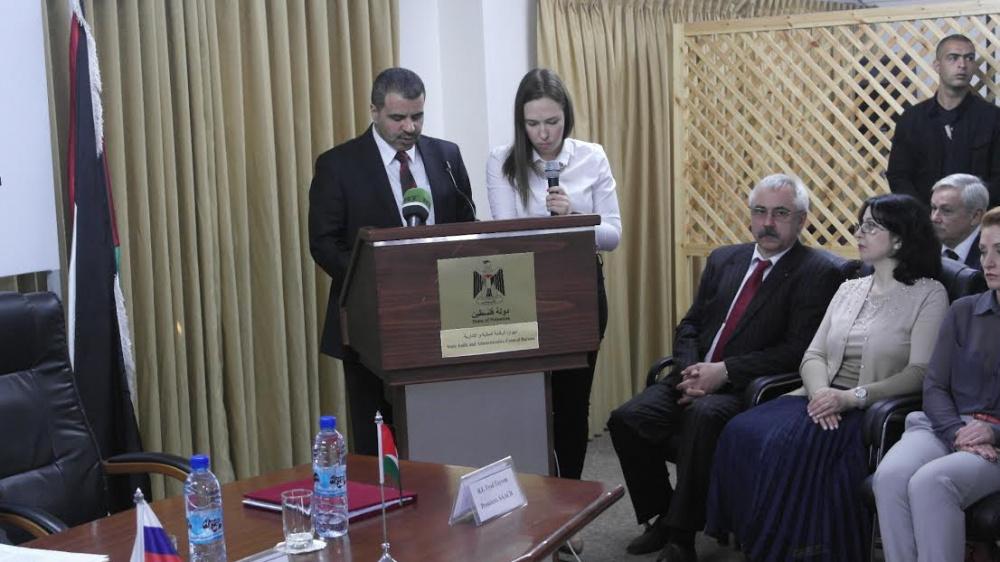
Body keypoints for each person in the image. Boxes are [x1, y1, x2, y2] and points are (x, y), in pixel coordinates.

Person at [608, 174, 843, 562]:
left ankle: (682, 537)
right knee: (626, 419)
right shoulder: (724, 259)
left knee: (702, 416)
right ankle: (664, 514)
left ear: (802, 220)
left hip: (751, 388)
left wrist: (725, 371)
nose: (768, 222)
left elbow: (796, 351)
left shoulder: (818, 272)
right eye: (760, 212)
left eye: (781, 213)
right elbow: (691, 324)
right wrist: (691, 370)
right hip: (695, 375)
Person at [705, 194, 949, 562]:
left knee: (784, 448)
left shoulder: (929, 293)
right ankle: (763, 543)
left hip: (869, 408)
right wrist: (821, 393)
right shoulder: (849, 287)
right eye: (859, 225)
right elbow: (814, 354)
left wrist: (850, 398)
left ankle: (797, 550)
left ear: (899, 239)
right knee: (741, 430)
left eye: (871, 227)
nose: (859, 233)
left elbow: (919, 373)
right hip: (819, 397)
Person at [309, 67, 476, 454]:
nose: (410, 127)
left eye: (418, 116)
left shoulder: (446, 156)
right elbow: (324, 243)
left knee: (440, 429)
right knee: (377, 438)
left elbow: (466, 224)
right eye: (398, 117)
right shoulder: (338, 164)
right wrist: (378, 282)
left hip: (443, 317)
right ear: (374, 111)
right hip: (369, 322)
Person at [486, 68, 621, 481]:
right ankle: (530, 497)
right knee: (525, 403)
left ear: (567, 117)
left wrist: (575, 217)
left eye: (552, 122)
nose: (543, 134)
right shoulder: (502, 161)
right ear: (520, 121)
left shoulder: (591, 156)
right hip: (523, 292)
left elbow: (612, 235)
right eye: (532, 124)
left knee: (572, 402)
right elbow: (506, 238)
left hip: (579, 290)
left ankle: (569, 498)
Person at [872, 206, 1000, 562]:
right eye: (984, 251)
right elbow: (935, 386)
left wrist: (992, 433)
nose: (988, 262)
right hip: (944, 426)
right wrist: (957, 432)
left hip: (994, 442)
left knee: (931, 482)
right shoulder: (963, 310)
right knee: (890, 476)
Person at [887, 34, 1000, 208]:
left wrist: (968, 211)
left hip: (976, 218)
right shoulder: (912, 119)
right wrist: (924, 213)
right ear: (937, 66)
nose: (962, 65)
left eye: (969, 58)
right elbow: (898, 176)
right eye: (953, 57)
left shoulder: (993, 118)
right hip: (922, 218)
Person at [930, 173, 989, 269]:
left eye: (946, 210)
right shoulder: (921, 247)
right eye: (933, 208)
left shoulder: (992, 255)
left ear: (975, 216)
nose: (934, 218)